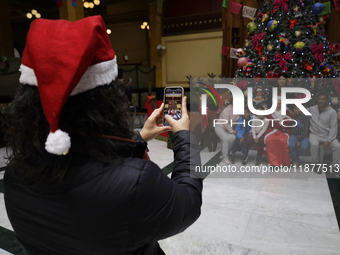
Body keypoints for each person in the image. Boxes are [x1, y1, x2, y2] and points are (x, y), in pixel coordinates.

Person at [4, 16, 203, 255]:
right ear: (106, 103)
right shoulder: (136, 184)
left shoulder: (15, 175)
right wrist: (183, 135)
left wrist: (139, 137)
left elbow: (82, 155)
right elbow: (188, 203)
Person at [309, 92, 340, 168]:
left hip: (327, 134)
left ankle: (335, 167)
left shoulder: (332, 112)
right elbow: (300, 113)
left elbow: (334, 128)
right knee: (314, 144)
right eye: (319, 99)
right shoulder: (311, 109)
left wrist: (329, 140)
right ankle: (315, 164)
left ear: (327, 101)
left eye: (323, 99)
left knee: (337, 146)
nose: (321, 101)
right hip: (314, 134)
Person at [265, 97, 293, 166]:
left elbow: (288, 122)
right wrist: (279, 123)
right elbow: (269, 121)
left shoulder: (287, 111)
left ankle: (284, 162)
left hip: (283, 131)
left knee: (282, 141)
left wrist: (277, 123)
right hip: (272, 131)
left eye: (280, 103)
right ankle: (273, 163)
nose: (278, 105)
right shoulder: (270, 111)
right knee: (269, 140)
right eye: (277, 103)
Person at [214, 98, 240, 165]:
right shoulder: (227, 110)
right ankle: (225, 157)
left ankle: (224, 153)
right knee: (226, 139)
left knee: (232, 138)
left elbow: (236, 120)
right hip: (220, 127)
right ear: (232, 102)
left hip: (228, 129)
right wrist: (231, 131)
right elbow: (225, 122)